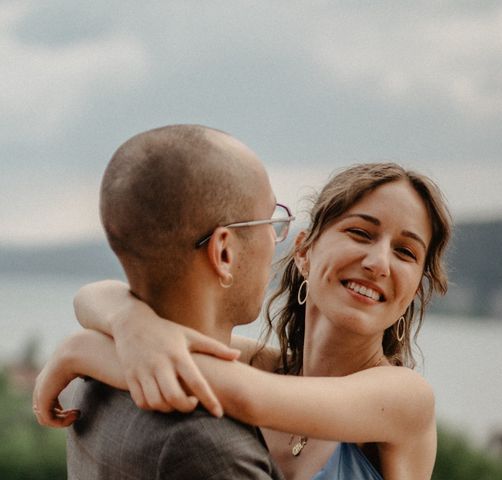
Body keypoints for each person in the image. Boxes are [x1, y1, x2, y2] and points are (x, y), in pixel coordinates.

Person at [35, 162, 452, 479]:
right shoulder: (262, 366)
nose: (378, 262)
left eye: (405, 252)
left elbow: (245, 397)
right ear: (304, 252)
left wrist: (86, 350)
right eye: (361, 233)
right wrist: (129, 323)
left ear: (414, 289)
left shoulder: (405, 398)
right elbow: (95, 295)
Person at [34, 124, 290, 479]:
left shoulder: (92, 377)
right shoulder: (210, 446)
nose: (277, 239)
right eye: (271, 219)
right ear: (224, 252)